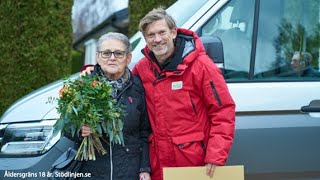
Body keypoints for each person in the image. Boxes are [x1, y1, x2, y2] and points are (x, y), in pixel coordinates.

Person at [82, 8, 236, 180]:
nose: (157, 39)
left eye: (162, 32)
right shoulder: (142, 68)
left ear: (173, 32)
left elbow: (222, 111)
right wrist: (93, 73)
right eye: (150, 35)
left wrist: (216, 155)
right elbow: (120, 80)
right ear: (145, 39)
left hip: (193, 163)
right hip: (157, 165)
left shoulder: (202, 66)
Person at [76, 32, 151, 180]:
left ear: (128, 58)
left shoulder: (137, 87)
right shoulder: (84, 84)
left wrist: (144, 168)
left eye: (118, 53)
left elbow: (144, 132)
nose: (112, 58)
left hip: (128, 170)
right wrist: (80, 129)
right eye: (106, 53)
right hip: (92, 171)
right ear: (98, 57)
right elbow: (66, 130)